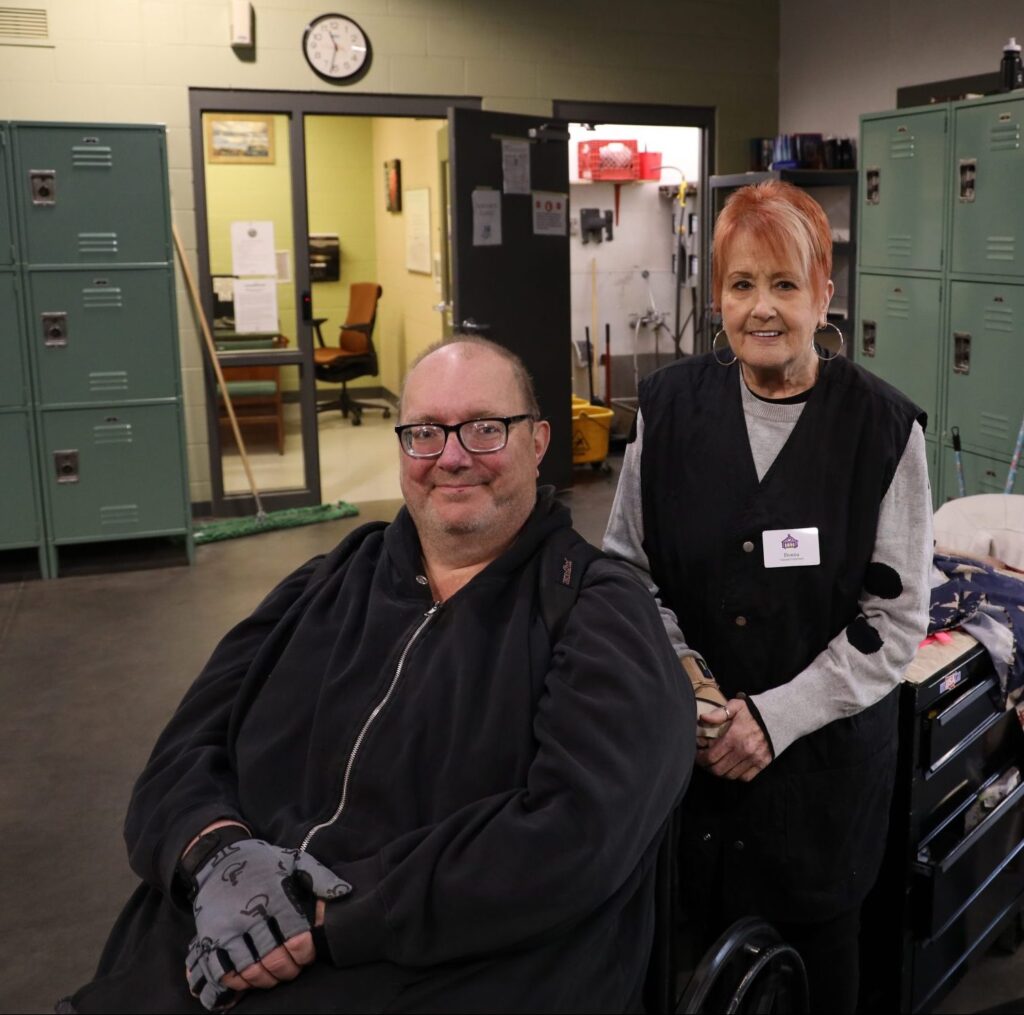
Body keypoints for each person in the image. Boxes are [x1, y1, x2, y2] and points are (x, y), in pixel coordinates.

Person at [61, 336, 694, 1014]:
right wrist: (215, 857)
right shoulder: (328, 583)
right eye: (424, 432)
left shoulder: (596, 612)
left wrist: (329, 913)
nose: (451, 457)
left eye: (484, 428)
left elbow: (576, 834)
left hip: (443, 967)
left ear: (538, 442)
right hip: (214, 942)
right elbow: (183, 749)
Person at [602, 180, 933, 1012]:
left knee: (815, 983)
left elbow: (894, 621)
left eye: (786, 284)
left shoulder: (883, 430)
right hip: (688, 774)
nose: (762, 308)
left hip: (818, 797)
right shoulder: (670, 410)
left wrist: (774, 718)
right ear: (716, 296)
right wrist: (681, 667)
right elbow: (626, 570)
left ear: (825, 292)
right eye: (742, 284)